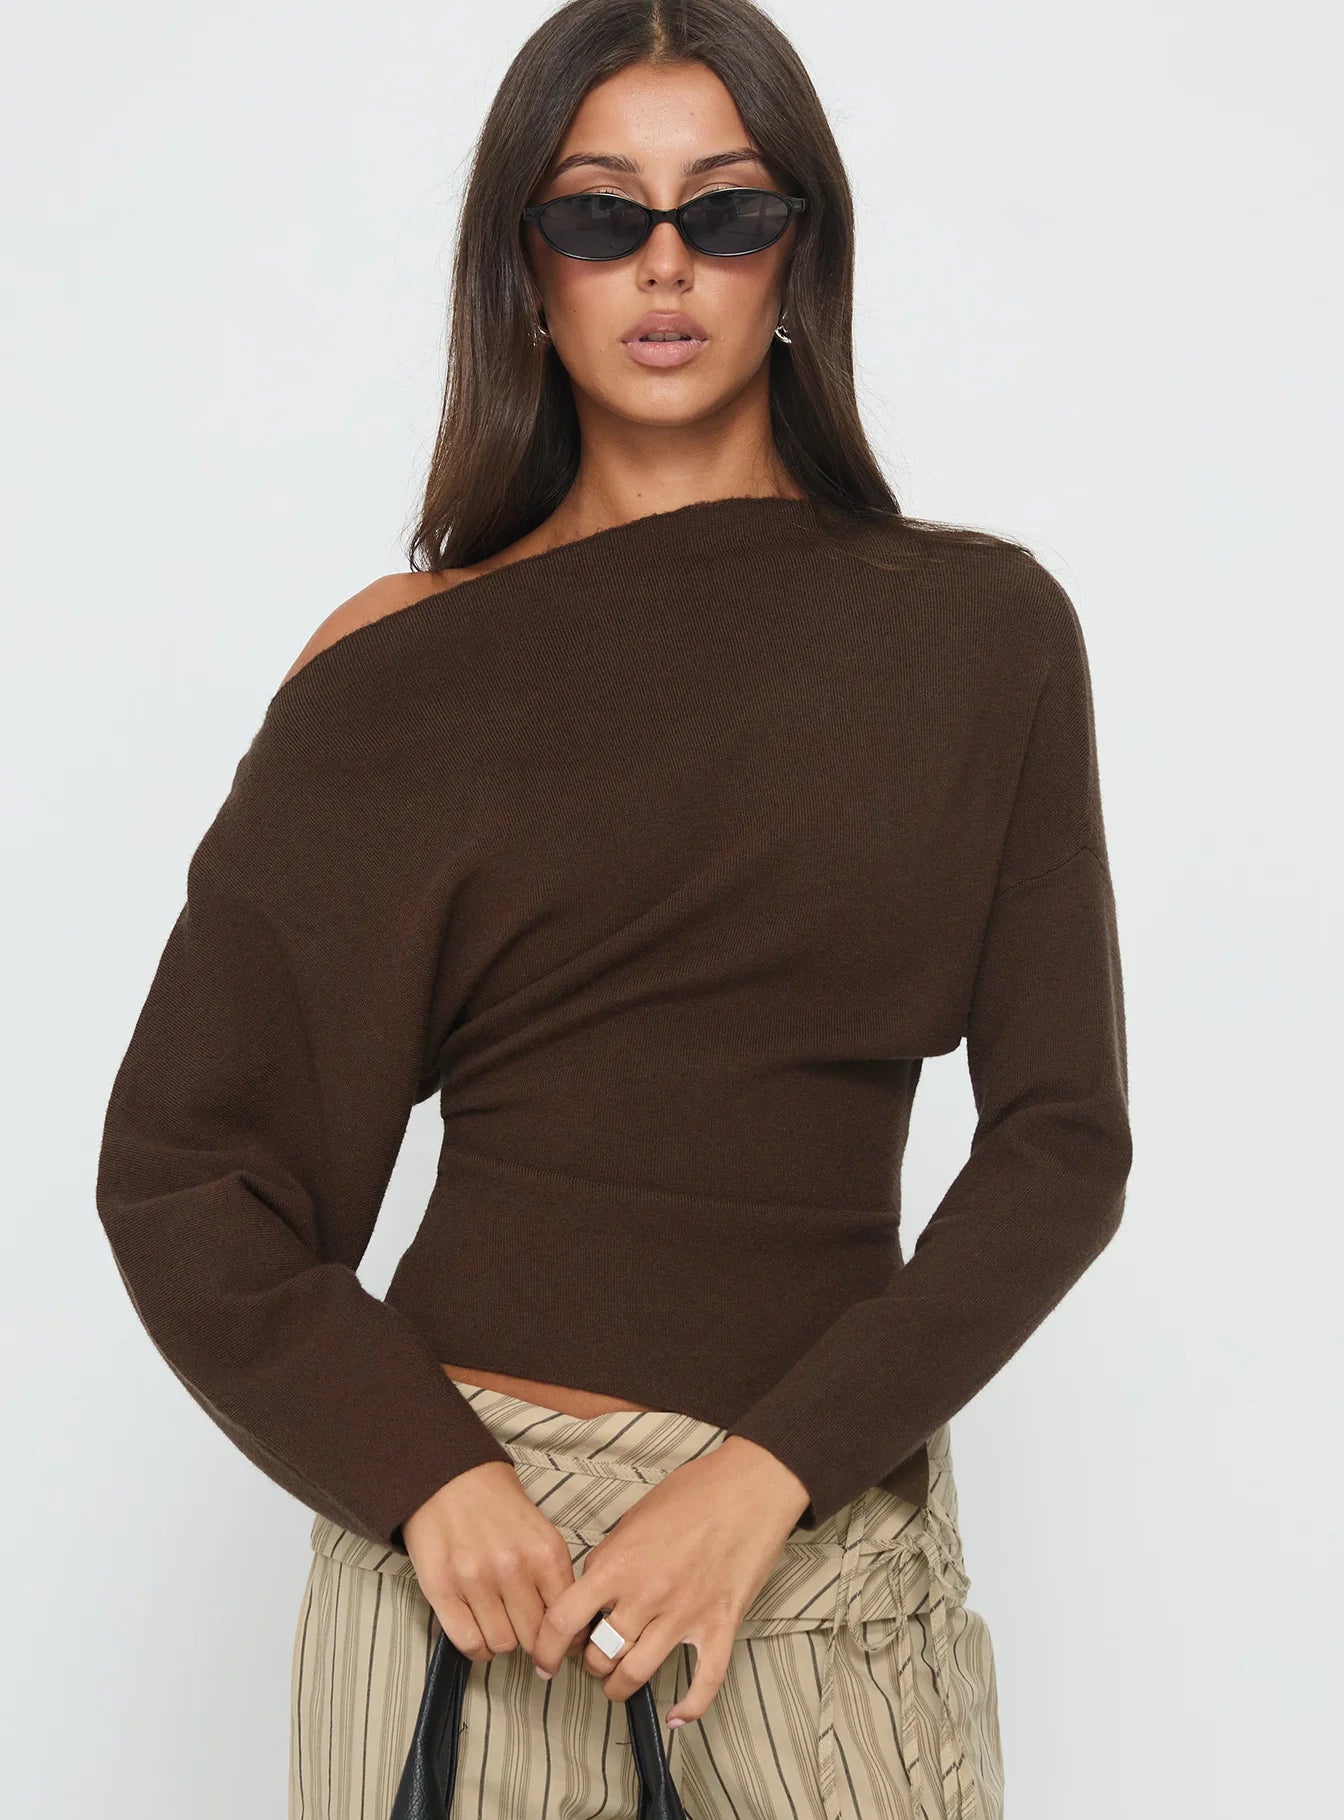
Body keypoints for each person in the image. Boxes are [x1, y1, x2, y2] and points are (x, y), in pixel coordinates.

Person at [94, 2, 1132, 1816]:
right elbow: (191, 1171)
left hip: (806, 1570)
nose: (665, 263)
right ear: (526, 267)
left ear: (800, 253)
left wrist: (766, 1479)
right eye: (599, 214)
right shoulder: (396, 667)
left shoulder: (982, 637)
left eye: (725, 212)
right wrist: (425, 1476)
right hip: (462, 1581)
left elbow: (1063, 1146)